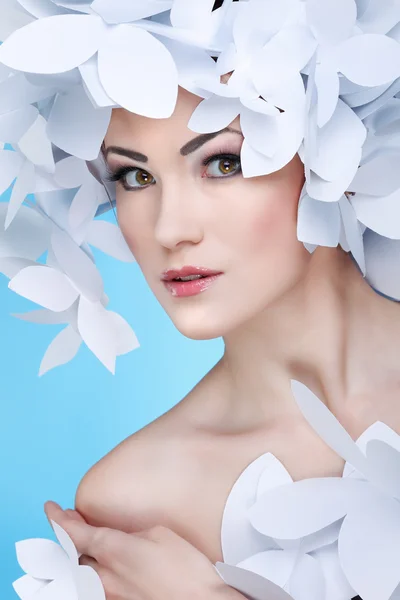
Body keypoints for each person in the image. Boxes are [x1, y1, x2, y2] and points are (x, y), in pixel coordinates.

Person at [1, 1, 400, 599]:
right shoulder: (137, 503)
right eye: (136, 177)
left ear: (331, 155)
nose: (169, 229)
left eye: (223, 162)